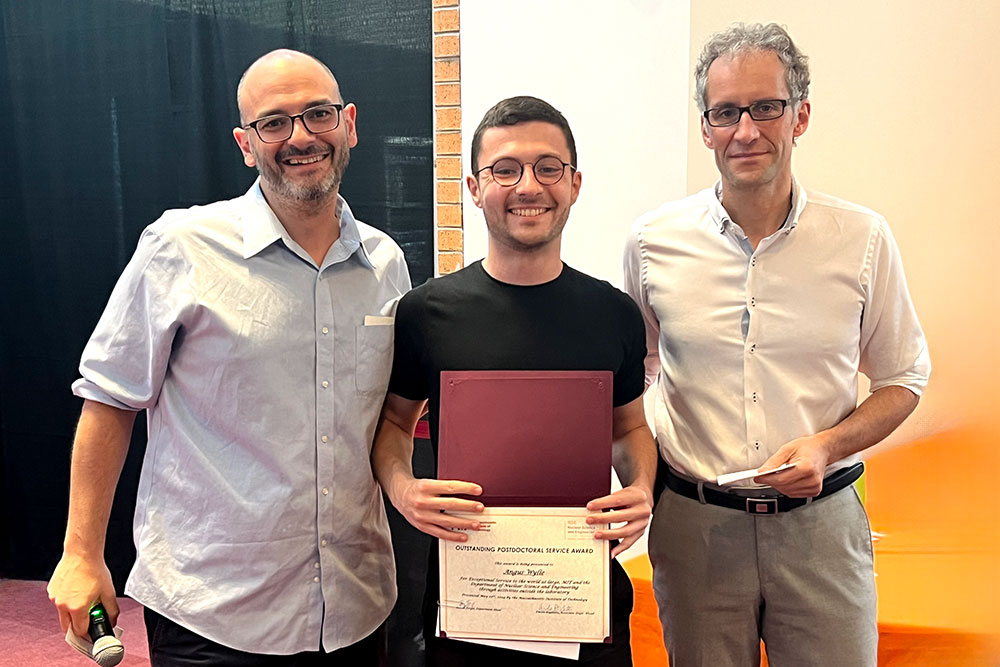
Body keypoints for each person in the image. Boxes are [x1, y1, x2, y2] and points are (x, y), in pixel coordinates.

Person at [47, 48, 410, 665]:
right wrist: (81, 552)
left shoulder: (385, 263)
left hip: (355, 606)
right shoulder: (179, 247)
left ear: (348, 124)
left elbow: (386, 418)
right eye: (274, 122)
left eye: (317, 114)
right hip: (214, 612)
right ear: (247, 144)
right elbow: (109, 399)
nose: (299, 137)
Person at [623, 23, 931, 666]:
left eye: (767, 107)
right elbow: (639, 373)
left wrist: (827, 444)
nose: (746, 130)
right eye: (726, 112)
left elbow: (905, 377)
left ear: (801, 115)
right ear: (705, 127)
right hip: (695, 527)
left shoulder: (862, 239)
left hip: (821, 527)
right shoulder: (652, 243)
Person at [371, 96, 657, 666]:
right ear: (475, 188)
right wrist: (403, 490)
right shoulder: (426, 312)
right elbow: (395, 424)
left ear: (574, 184)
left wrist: (642, 488)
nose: (528, 186)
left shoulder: (615, 314)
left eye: (548, 167)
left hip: (582, 598)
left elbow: (629, 429)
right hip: (471, 603)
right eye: (505, 169)